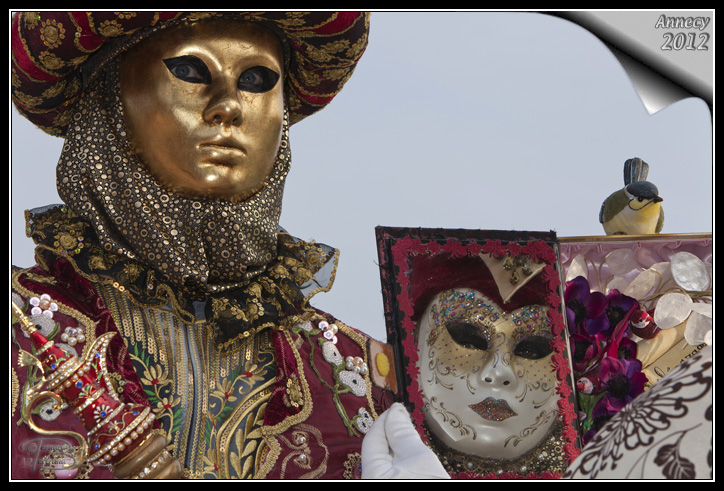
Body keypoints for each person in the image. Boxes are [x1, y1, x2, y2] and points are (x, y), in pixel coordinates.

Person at [11, 11, 403, 480]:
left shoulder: (364, 384)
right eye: (191, 71)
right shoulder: (21, 328)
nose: (228, 107)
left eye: (255, 80)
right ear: (108, 100)